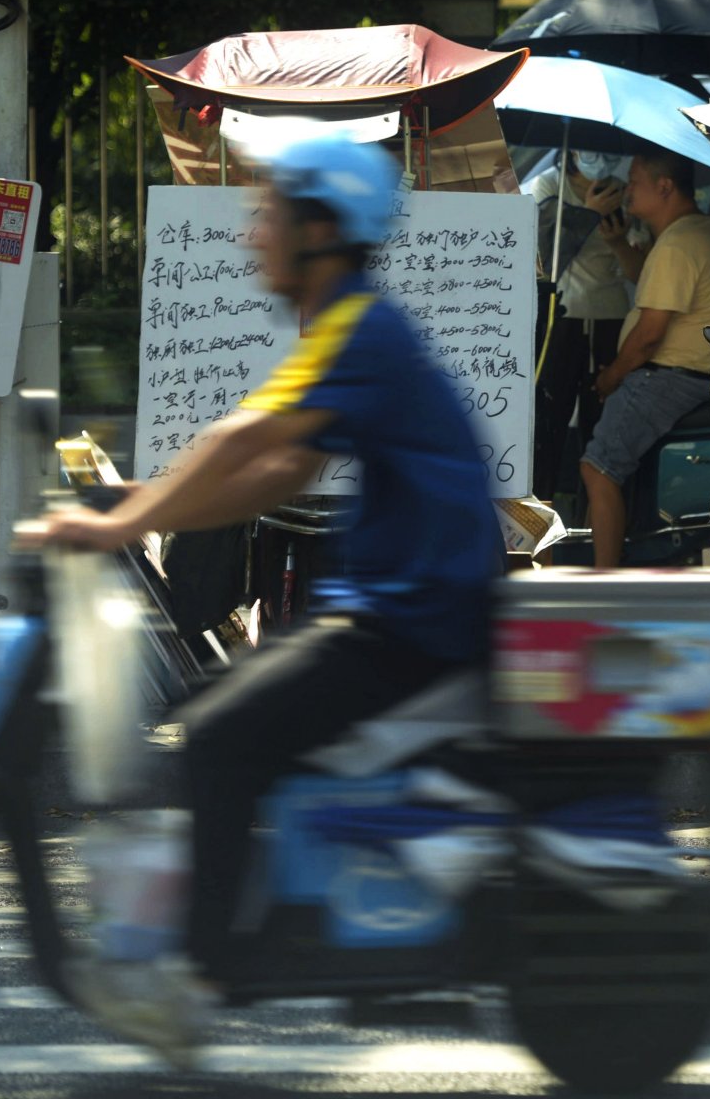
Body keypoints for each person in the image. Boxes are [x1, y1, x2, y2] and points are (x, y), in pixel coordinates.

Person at [25, 131, 503, 1042]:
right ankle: (284, 922)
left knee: (216, 736)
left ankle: (204, 976)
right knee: (232, 703)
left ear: (323, 229)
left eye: (271, 214)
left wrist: (121, 523)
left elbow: (244, 440)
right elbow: (281, 470)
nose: (254, 233)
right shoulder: (349, 327)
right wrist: (146, 503)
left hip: (414, 618)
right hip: (401, 608)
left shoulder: (359, 328)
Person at [579, 146, 710, 568]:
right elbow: (645, 277)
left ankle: (604, 580)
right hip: (694, 376)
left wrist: (611, 376)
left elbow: (649, 335)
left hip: (668, 377)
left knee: (598, 467)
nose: (627, 192)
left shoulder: (679, 244)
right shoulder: (692, 233)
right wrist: (617, 243)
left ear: (664, 187)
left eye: (635, 183)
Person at [525, 149, 648, 498]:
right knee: (548, 419)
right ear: (571, 152)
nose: (597, 157)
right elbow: (541, 259)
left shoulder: (624, 191)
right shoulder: (547, 186)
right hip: (559, 316)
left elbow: (639, 273)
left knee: (601, 427)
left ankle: (593, 515)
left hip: (611, 317)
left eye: (602, 149)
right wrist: (585, 216)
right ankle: (541, 505)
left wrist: (616, 240)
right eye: (586, 149)